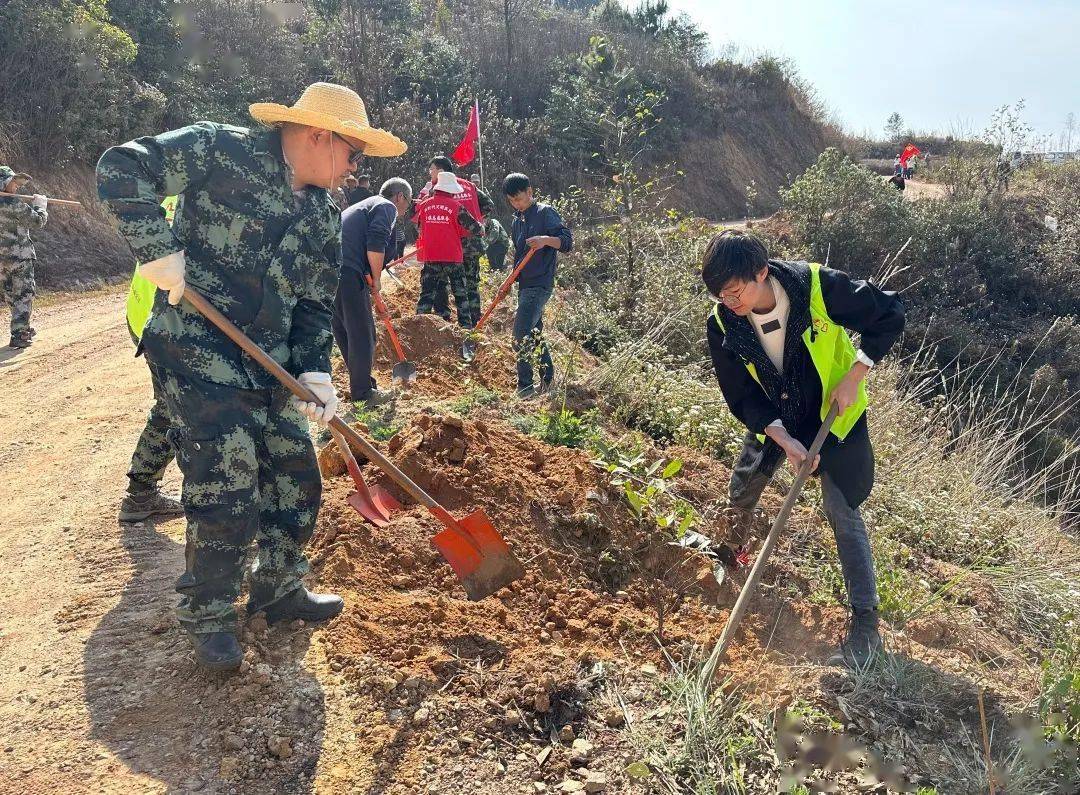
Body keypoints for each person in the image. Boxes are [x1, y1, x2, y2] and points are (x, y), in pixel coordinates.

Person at [97, 82, 407, 670]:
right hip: (197, 350)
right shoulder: (220, 151)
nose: (354, 168)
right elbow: (122, 166)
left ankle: (279, 584)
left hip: (269, 364)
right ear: (319, 135)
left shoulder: (321, 214)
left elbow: (316, 303)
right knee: (227, 480)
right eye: (353, 154)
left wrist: (317, 373)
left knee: (296, 471)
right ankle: (210, 612)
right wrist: (156, 249)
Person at [702, 230, 905, 668]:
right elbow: (741, 396)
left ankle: (866, 619)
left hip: (835, 416)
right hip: (777, 415)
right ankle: (730, 562)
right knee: (742, 492)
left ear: (761, 272)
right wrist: (785, 440)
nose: (729, 302)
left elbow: (889, 312)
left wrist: (855, 375)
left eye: (735, 292)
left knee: (840, 507)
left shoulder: (816, 287)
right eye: (720, 295)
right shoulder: (722, 322)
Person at [118, 194, 185, 523]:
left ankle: (142, 493)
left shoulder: (176, 195)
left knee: (173, 404)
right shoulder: (214, 197)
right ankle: (142, 493)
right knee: (177, 406)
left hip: (149, 313)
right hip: (163, 319)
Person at [333, 177, 412, 407]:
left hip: (331, 270)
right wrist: (377, 279)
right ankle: (364, 393)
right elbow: (376, 242)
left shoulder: (365, 205)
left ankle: (362, 385)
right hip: (348, 270)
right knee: (363, 334)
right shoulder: (386, 207)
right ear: (399, 197)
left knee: (346, 330)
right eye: (407, 202)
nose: (406, 208)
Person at [503, 172, 573, 397]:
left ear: (530, 192)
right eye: (512, 201)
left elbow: (567, 242)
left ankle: (524, 386)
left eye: (520, 199)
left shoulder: (545, 213)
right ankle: (548, 380)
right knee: (534, 334)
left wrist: (545, 241)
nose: (517, 204)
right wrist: (508, 281)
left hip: (540, 283)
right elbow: (519, 256)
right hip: (524, 284)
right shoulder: (517, 219)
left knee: (520, 335)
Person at [422, 156, 494, 326]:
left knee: (441, 281)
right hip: (472, 243)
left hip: (451, 245)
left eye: (431, 169)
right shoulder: (469, 186)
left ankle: (443, 318)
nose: (430, 173)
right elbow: (489, 205)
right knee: (469, 284)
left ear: (440, 172)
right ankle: (473, 321)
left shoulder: (436, 190)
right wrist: (476, 221)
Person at [413, 171, 481, 326]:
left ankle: (417, 327)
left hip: (431, 257)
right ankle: (466, 329)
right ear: (451, 190)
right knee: (460, 294)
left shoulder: (424, 205)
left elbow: (419, 228)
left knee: (427, 293)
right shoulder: (457, 207)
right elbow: (476, 228)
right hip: (453, 257)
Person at [0, 166, 48, 349]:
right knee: (24, 293)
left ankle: (22, 327)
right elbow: (37, 221)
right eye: (14, 182)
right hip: (19, 257)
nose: (17, 187)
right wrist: (40, 207)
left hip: (2, 260)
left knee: (11, 293)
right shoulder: (12, 203)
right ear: (4, 182)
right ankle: (19, 334)